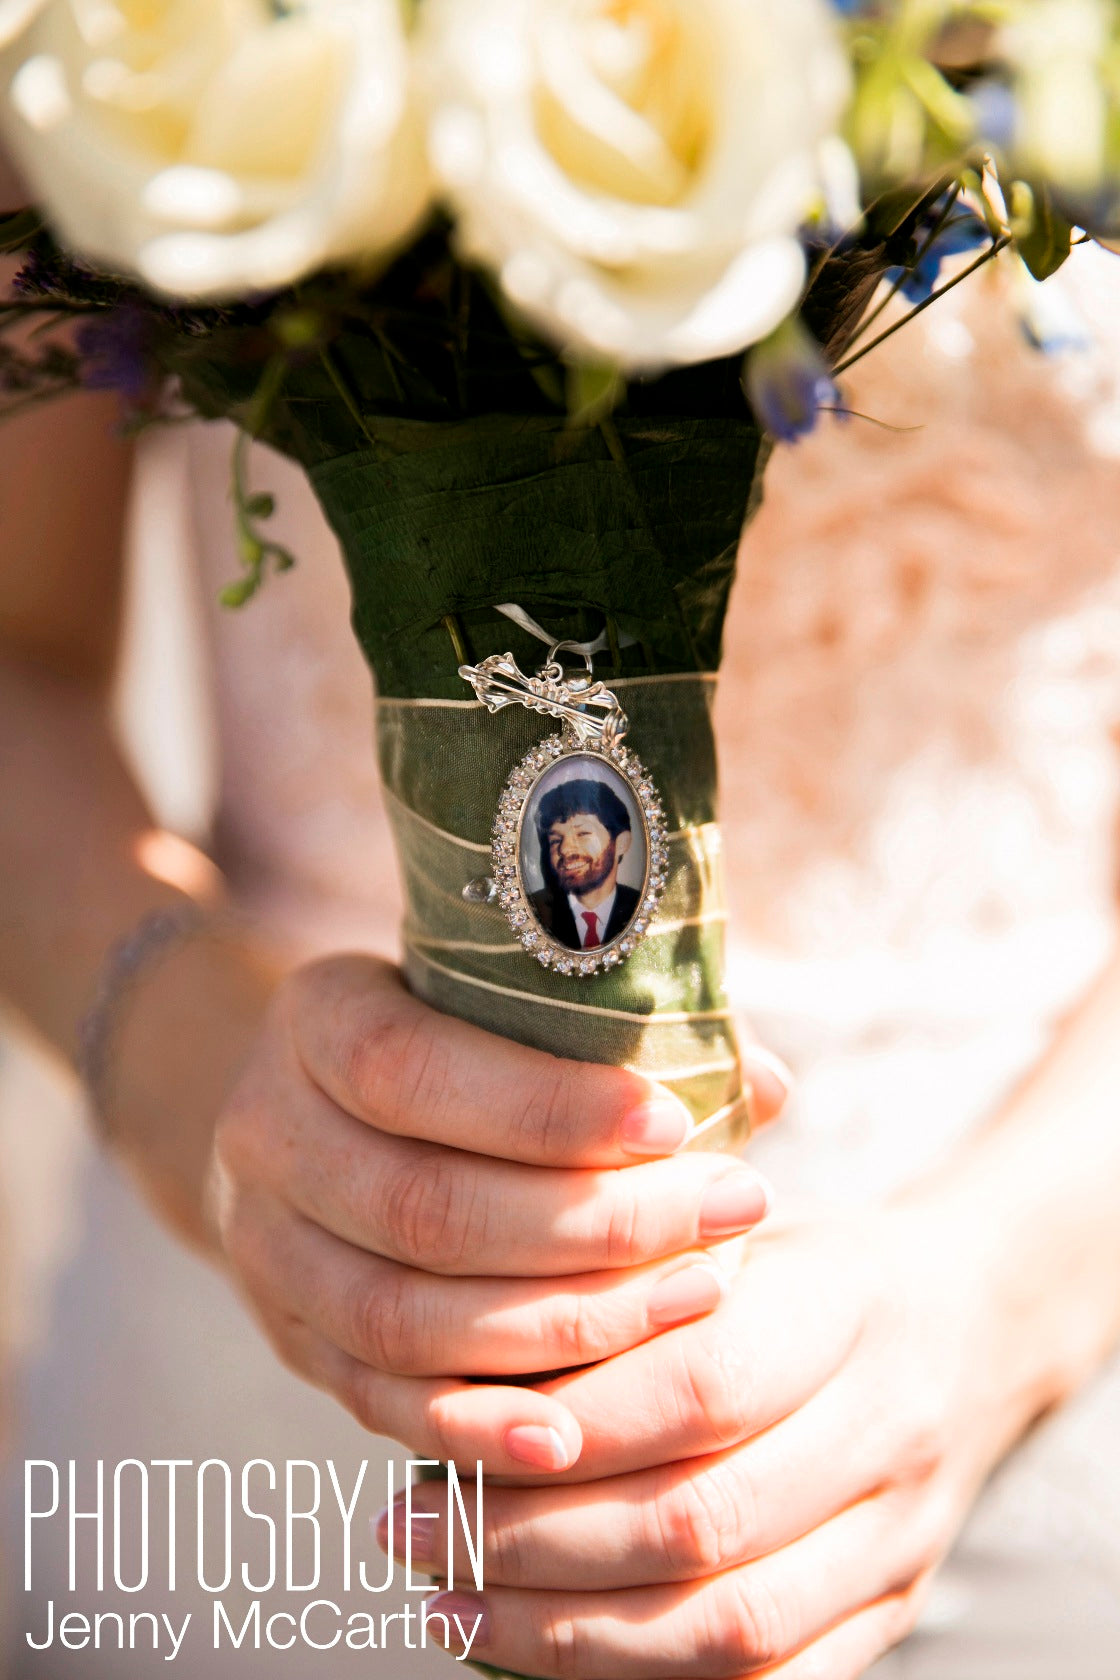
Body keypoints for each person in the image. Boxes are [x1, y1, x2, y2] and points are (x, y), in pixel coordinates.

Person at [4, 248, 1120, 1679]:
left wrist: (1005, 1300)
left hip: (1032, 1315)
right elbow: (14, 659)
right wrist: (229, 1117)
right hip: (276, 1398)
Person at [529, 777, 641, 950]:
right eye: (555, 840)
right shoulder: (532, 912)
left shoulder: (642, 908)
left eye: (582, 834)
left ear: (621, 843)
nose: (565, 849)